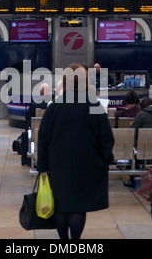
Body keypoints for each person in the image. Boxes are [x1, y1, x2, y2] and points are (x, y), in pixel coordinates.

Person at [37, 63, 115, 239]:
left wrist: (42, 166)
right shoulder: (94, 105)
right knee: (78, 205)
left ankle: (63, 241)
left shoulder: (54, 107)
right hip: (87, 163)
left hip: (58, 164)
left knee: (61, 203)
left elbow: (43, 138)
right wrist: (106, 159)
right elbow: (106, 138)